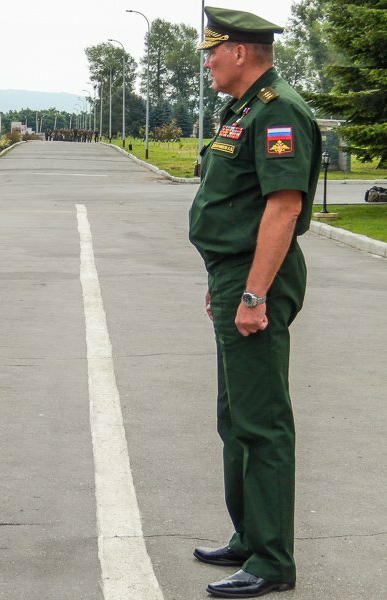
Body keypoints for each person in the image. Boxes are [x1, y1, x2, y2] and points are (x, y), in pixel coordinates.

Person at [188, 7, 321, 598]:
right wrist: (223, 285)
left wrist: (251, 294)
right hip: (234, 276)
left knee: (262, 423)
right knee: (234, 417)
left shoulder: (277, 112)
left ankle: (271, 561)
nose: (208, 61)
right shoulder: (242, 108)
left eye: (212, 51)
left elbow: (283, 209)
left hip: (255, 279)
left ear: (240, 52)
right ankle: (248, 535)